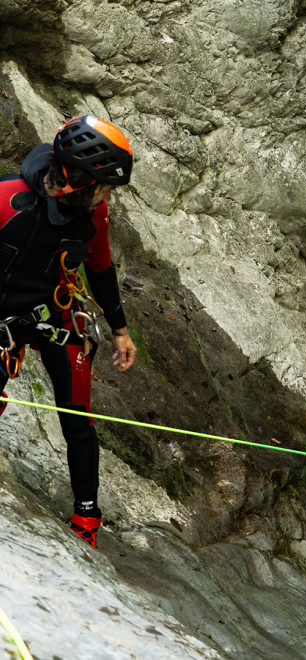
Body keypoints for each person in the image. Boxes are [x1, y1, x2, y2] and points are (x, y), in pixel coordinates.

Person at [0, 115, 137, 548]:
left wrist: (120, 329)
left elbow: (100, 265)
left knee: (78, 419)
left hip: (57, 317)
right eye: (105, 186)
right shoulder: (6, 199)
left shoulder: (92, 211)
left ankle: (87, 516)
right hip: (4, 325)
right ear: (78, 180)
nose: (107, 197)